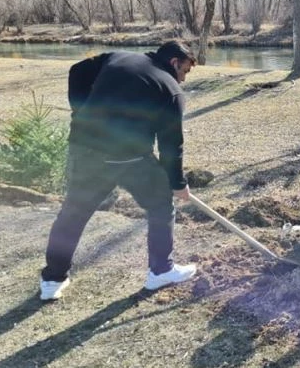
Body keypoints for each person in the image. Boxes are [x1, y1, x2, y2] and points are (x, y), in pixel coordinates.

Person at [40, 41, 198, 301]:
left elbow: (77, 71)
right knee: (161, 205)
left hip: (84, 148)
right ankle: (161, 271)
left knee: (74, 211)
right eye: (185, 71)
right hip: (129, 158)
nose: (182, 79)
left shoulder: (117, 57)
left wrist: (81, 111)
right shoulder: (170, 90)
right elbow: (171, 145)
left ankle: (52, 280)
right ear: (174, 62)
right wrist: (178, 183)